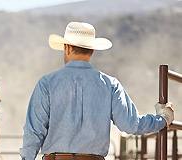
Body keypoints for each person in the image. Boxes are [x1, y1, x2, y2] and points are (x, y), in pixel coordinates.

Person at [20, 22, 174, 160]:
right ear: (92, 50)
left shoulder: (47, 83)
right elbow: (131, 125)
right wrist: (163, 119)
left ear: (66, 48)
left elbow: (33, 132)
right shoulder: (110, 84)